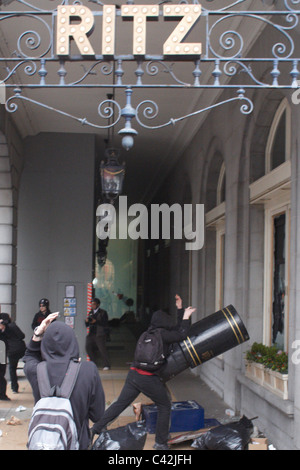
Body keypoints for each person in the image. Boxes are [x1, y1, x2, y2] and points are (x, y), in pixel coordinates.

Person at [91, 294, 195, 450]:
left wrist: (180, 308)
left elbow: (176, 329)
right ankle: (160, 443)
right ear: (165, 322)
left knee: (120, 403)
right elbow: (181, 333)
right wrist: (186, 316)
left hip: (133, 374)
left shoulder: (147, 333)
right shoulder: (164, 335)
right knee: (164, 405)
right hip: (148, 377)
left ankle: (95, 428)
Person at [24, 312, 106, 450]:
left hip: (43, 444)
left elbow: (29, 356)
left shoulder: (36, 370)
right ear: (72, 342)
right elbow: (97, 415)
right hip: (77, 444)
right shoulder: (87, 370)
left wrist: (38, 333)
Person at [0, 313, 26, 393]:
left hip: (11, 351)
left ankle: (14, 388)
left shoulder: (3, 330)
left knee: (12, 369)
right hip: (20, 348)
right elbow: (22, 336)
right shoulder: (13, 326)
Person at [85, 298, 110, 370]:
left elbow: (105, 323)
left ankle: (106, 364)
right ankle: (93, 363)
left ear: (98, 304)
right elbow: (87, 325)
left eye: (94, 304)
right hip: (91, 333)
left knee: (102, 349)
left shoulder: (103, 312)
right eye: (91, 304)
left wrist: (95, 321)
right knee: (88, 346)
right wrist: (87, 321)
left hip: (99, 333)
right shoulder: (90, 312)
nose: (92, 305)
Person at [0, 320, 9, 401]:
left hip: (2, 355)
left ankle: (2, 394)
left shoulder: (6, 332)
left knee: (1, 376)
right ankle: (2, 395)